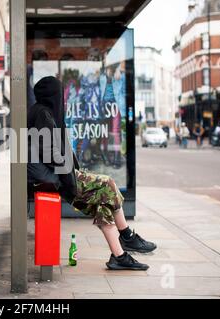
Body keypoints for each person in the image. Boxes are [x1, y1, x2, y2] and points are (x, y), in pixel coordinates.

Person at [28, 77, 156, 271]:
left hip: (52, 177)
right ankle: (127, 236)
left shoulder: (40, 111)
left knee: (102, 204)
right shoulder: (43, 114)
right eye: (60, 93)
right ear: (53, 95)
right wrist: (71, 174)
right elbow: (49, 154)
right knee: (108, 183)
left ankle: (119, 256)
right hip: (54, 179)